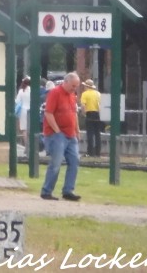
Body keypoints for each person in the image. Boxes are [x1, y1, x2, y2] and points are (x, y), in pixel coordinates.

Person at [40, 71, 82, 202]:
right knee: (56, 163)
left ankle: (68, 190)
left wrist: (77, 130)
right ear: (66, 81)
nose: (74, 89)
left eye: (76, 86)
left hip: (71, 135)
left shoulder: (72, 95)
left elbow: (74, 113)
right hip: (56, 134)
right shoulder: (55, 93)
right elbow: (48, 113)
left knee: (74, 161)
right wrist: (57, 131)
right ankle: (46, 191)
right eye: (73, 86)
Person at [80, 78, 103, 157]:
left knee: (90, 134)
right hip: (97, 114)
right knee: (97, 134)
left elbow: (83, 105)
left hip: (89, 114)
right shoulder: (98, 94)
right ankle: (98, 152)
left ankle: (90, 152)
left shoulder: (85, 94)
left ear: (87, 86)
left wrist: (84, 113)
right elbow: (100, 104)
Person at [15, 76, 31, 148]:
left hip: (23, 110)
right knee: (30, 129)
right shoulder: (32, 90)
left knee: (24, 129)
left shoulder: (21, 91)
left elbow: (17, 101)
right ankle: (32, 146)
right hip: (31, 110)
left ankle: (27, 146)